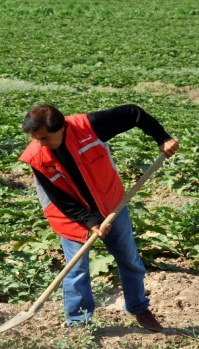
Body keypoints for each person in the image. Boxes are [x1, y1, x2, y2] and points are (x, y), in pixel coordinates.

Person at [19, 104, 179, 332]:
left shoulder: (89, 126)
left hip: (111, 203)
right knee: (76, 270)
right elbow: (60, 199)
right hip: (69, 214)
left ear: (62, 127)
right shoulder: (36, 156)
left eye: (45, 138)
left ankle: (138, 307)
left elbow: (134, 113)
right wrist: (90, 221)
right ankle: (79, 322)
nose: (41, 144)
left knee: (129, 259)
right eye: (36, 139)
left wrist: (162, 137)